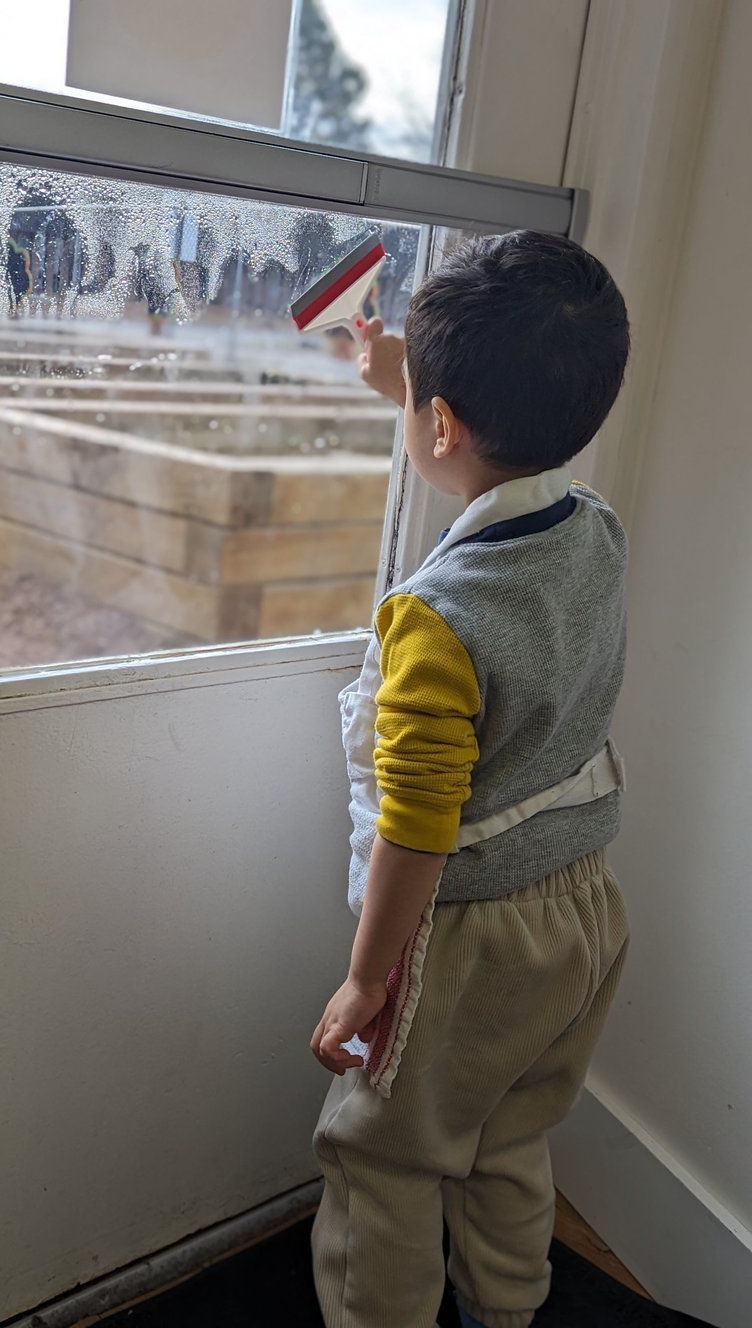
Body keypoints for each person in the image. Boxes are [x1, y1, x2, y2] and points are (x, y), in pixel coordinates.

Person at [309, 230, 631, 1328]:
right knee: (506, 1139)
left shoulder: (440, 622)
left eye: (419, 410)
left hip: (468, 939)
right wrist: (406, 372)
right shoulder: (595, 531)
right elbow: (494, 431)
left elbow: (417, 826)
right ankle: (508, 1312)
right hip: (584, 911)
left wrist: (367, 977)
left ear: (439, 426)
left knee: (385, 1161)